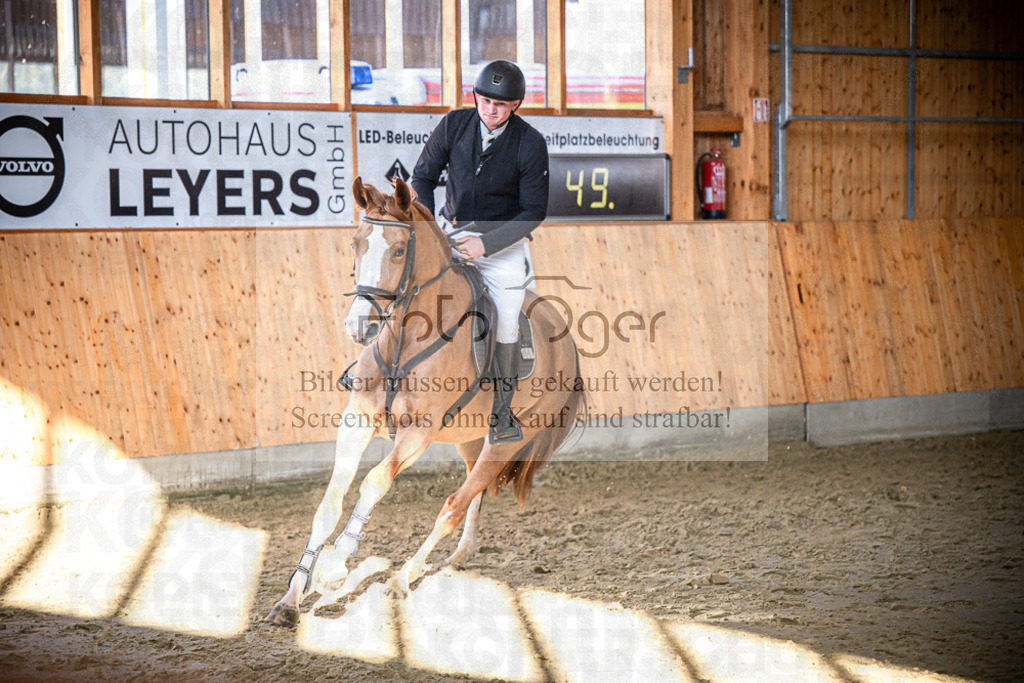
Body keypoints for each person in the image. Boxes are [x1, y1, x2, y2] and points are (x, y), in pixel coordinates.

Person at [411, 59, 549, 445]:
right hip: (450, 233)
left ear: (516, 105)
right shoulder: (455, 124)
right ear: (476, 96)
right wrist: (429, 226)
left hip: (501, 245)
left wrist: (486, 244)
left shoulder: (530, 143)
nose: (491, 109)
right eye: (485, 100)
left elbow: (534, 211)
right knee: (407, 288)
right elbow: (422, 175)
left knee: (505, 315)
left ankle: (502, 414)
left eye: (501, 105)